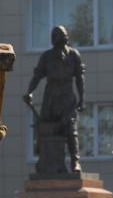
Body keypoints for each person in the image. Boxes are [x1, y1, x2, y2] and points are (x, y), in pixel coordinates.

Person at [23, 25, 85, 173]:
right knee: (44, 127)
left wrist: (82, 99)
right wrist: (29, 92)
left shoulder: (74, 55)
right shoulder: (47, 56)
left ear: (66, 38)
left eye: (60, 35)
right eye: (55, 36)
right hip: (51, 97)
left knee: (70, 129)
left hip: (67, 96)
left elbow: (79, 79)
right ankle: (44, 160)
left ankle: (75, 162)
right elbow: (37, 76)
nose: (57, 38)